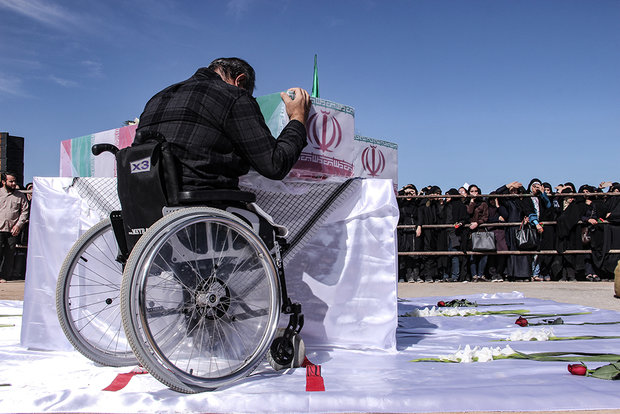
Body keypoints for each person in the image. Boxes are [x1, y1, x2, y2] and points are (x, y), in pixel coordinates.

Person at [135, 57, 312, 191]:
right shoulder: (233, 95)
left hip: (145, 199)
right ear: (240, 81)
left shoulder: (158, 97)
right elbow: (275, 165)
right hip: (199, 201)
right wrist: (298, 116)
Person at [0, 172, 29, 283]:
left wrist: (18, 225)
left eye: (14, 181)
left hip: (12, 230)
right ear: (4, 182)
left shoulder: (20, 196)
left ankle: (5, 276)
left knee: (9, 253)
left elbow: (24, 211)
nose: (13, 183)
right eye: (10, 181)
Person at [466, 184, 489, 282]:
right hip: (471, 231)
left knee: (484, 253)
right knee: (472, 254)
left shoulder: (483, 203)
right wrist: (471, 202)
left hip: (481, 230)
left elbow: (485, 216)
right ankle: (474, 275)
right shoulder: (466, 203)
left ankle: (480, 274)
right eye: (472, 191)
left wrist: (478, 223)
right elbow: (469, 213)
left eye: (476, 191)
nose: (474, 193)